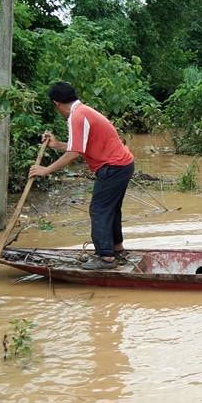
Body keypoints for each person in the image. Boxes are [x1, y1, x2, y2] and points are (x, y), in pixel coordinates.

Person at [28, 81, 135, 270]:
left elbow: (74, 153)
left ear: (57, 104)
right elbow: (79, 146)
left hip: (113, 167)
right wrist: (57, 144)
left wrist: (45, 170)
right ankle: (116, 249)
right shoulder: (84, 111)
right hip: (122, 165)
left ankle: (106, 258)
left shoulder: (77, 117)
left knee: (99, 210)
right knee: (111, 209)